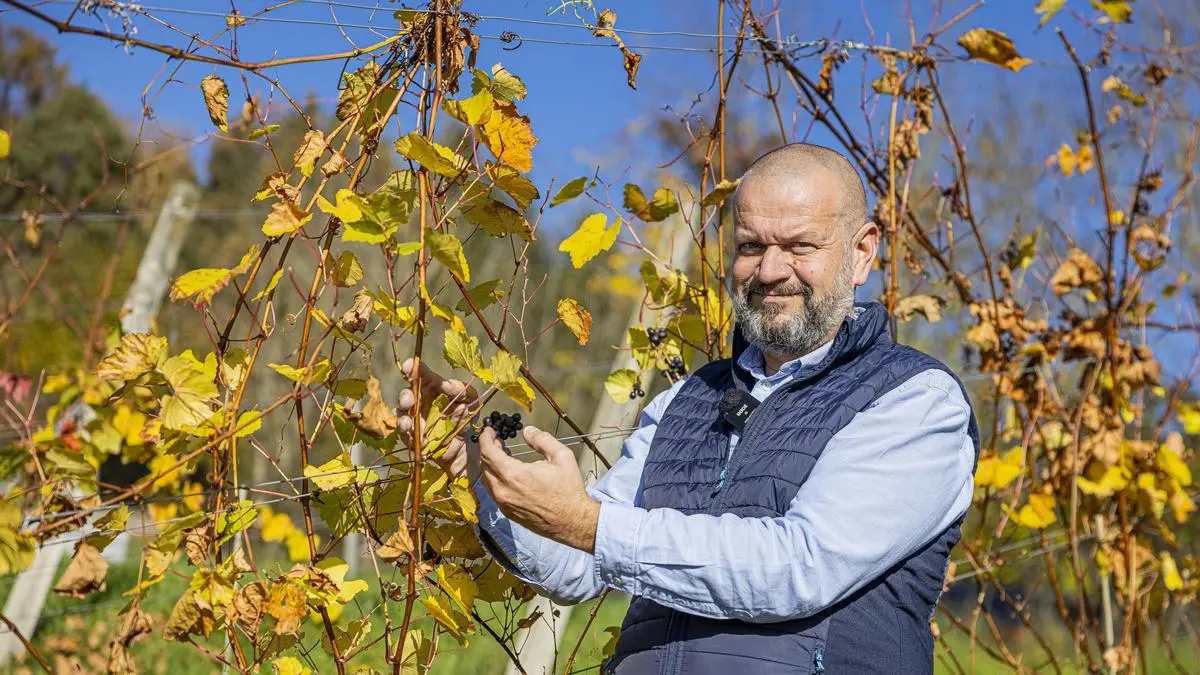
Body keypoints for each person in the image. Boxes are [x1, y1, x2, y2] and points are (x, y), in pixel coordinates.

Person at [397, 143, 978, 674]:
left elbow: (798, 567)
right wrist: (479, 466)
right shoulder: (686, 400)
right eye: (751, 246)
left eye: (801, 246)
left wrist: (591, 525)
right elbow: (575, 565)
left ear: (862, 253)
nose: (771, 271)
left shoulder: (913, 400)